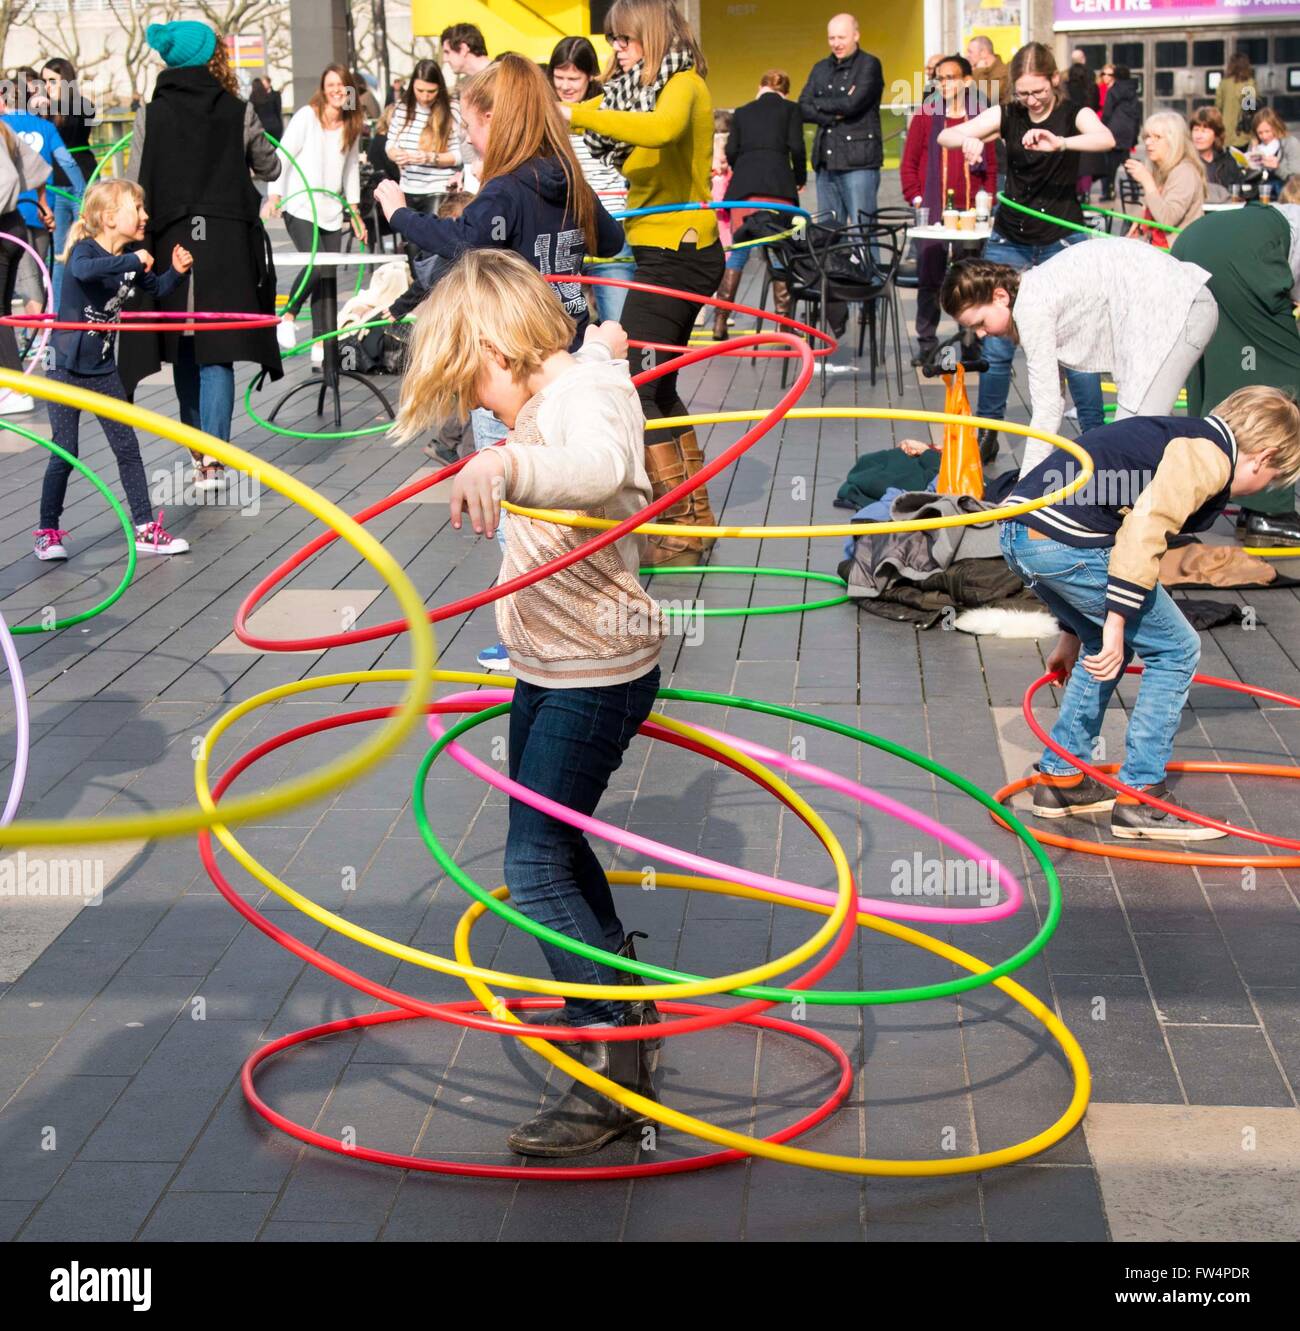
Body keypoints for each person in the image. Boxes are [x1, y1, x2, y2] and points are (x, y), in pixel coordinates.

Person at [394, 248, 660, 1155]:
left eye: (472, 385)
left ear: (499, 351)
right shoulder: (578, 379)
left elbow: (598, 464)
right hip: (551, 664)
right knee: (553, 842)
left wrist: (509, 464)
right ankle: (625, 1006)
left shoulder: (576, 403)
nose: (477, 406)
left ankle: (614, 1059)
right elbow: (599, 379)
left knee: (535, 865)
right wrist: (608, 349)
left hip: (594, 668)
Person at [376, 53, 625, 669]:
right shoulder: (566, 177)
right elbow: (614, 240)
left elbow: (465, 244)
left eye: (470, 124)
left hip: (512, 361)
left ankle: (533, 631)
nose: (467, 137)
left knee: (515, 503)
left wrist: (399, 213)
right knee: (561, 499)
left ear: (496, 119)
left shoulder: (506, 189)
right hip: (565, 351)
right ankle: (567, 619)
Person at [1002, 386, 1300, 839]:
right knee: (1177, 649)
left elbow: (1094, 513)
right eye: (1273, 479)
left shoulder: (1178, 435)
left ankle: (1062, 779)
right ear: (1264, 457)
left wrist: (1074, 633)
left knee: (1107, 646)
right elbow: (1145, 529)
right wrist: (1116, 621)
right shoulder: (1209, 455)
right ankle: (1142, 798)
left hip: (1021, 534)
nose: (1265, 489)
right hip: (1066, 541)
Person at [562, 0, 721, 567]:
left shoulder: (683, 86)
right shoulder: (637, 92)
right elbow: (603, 113)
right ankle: (693, 524)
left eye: (624, 40)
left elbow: (660, 130)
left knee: (635, 381)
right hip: (659, 252)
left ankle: (679, 529)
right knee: (658, 385)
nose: (617, 50)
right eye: (613, 41)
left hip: (681, 253)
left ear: (650, 36)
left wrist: (576, 114)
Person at [121, 20, 282, 492]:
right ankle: (214, 459)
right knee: (219, 349)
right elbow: (270, 166)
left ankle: (199, 454)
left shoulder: (151, 114)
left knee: (184, 349)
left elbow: (135, 180)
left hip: (170, 241)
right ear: (210, 58)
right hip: (226, 242)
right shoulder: (236, 109)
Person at [938, 42, 1114, 459]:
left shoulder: (1072, 114)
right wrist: (968, 141)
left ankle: (1096, 438)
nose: (1031, 100)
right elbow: (947, 132)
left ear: (1054, 80)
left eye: (1038, 91)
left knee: (1076, 346)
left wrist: (1062, 143)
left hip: (1062, 241)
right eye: (1023, 93)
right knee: (997, 344)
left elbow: (1106, 139)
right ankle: (988, 434)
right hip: (1011, 240)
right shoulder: (1009, 114)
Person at [940, 242, 1218, 476]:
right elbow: (1054, 396)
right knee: (1132, 440)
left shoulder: (1032, 307)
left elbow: (1048, 409)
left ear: (1000, 296)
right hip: (1174, 309)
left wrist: (1023, 493)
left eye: (980, 323)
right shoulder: (1034, 289)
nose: (981, 334)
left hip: (1180, 310)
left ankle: (1175, 497)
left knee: (1130, 441)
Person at [35, 179, 193, 562]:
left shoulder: (131, 259)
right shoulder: (85, 251)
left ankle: (145, 528)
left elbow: (157, 288)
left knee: (128, 448)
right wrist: (133, 261)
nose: (145, 216)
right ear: (109, 218)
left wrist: (176, 271)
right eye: (137, 209)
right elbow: (84, 271)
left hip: (103, 368)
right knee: (65, 450)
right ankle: (47, 531)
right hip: (64, 367)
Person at [1172, 203, 1300, 545]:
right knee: (1285, 379)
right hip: (1243, 255)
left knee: (1217, 370)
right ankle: (1268, 512)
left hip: (1194, 241)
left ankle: (1203, 488)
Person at [899, 55, 995, 367]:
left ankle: (971, 343)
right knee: (929, 277)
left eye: (950, 77)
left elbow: (992, 167)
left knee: (970, 279)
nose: (943, 84)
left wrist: (987, 201)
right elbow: (909, 162)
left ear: (967, 81)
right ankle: (927, 344)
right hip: (933, 210)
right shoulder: (926, 116)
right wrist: (916, 198)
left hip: (970, 213)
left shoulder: (981, 117)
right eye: (939, 78)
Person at [266, 65, 367, 355]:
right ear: (323, 89)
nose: (336, 90)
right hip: (300, 205)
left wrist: (354, 211)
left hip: (331, 209)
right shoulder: (306, 117)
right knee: (317, 264)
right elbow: (283, 155)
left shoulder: (352, 123)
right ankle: (288, 315)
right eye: (330, 85)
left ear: (349, 89)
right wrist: (274, 195)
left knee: (328, 278)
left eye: (341, 85)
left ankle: (321, 344)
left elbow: (351, 169)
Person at [548, 34, 636, 323]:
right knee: (560, 327)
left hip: (609, 221)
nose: (565, 86)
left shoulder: (606, 110)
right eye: (559, 77)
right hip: (564, 230)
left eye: (574, 79)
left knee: (617, 321)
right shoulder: (547, 114)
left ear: (590, 76)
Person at [714, 68, 806, 338]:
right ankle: (783, 324)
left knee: (739, 251)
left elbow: (731, 150)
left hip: (744, 192)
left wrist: (743, 168)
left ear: (760, 87)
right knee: (779, 251)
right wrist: (798, 179)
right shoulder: (791, 110)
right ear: (785, 92)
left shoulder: (742, 112)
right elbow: (797, 148)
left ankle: (720, 321)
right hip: (779, 190)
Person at [3, 77, 82, 326]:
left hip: (13, 212)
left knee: (28, 282)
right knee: (40, 273)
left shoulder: (3, 126)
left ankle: (37, 334)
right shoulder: (45, 127)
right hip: (41, 209)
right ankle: (39, 331)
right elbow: (66, 161)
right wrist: (82, 193)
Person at [798, 13, 883, 231]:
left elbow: (853, 104)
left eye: (841, 37)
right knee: (828, 233)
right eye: (831, 38)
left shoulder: (869, 65)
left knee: (862, 231)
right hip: (825, 163)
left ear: (856, 35)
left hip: (859, 162)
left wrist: (820, 104)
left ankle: (865, 258)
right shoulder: (820, 68)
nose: (836, 43)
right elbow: (803, 107)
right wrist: (833, 113)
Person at [0, 115, 53, 415]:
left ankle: (13, 389)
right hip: (14, 226)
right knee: (3, 311)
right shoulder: (3, 128)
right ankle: (12, 386)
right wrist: (43, 205)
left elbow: (6, 179)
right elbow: (36, 168)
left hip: (3, 229)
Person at [39, 57, 97, 313]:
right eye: (44, 81)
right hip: (58, 186)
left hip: (85, 182)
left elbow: (79, 121)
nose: (46, 86)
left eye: (52, 81)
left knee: (91, 247)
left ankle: (93, 307)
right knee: (62, 254)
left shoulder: (82, 106)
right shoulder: (44, 112)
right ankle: (60, 312)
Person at [385, 59, 461, 235]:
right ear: (412, 86)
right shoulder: (402, 108)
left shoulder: (452, 109)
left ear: (440, 88)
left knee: (433, 242)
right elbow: (390, 144)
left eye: (431, 91)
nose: (425, 96)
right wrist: (396, 155)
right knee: (412, 246)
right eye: (420, 90)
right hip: (408, 187)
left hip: (438, 188)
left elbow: (459, 155)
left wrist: (430, 158)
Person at [1124, 111, 1205, 246]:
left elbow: (1167, 220)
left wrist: (1147, 181)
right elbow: (1153, 207)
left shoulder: (1185, 172)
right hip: (1155, 247)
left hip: (1177, 252)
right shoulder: (1160, 168)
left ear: (1174, 141)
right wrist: (1141, 219)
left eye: (1157, 137)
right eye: (1147, 136)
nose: (1148, 142)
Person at [441, 23, 492, 190]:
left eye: (447, 52)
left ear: (463, 49)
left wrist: (488, 165)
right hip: (475, 176)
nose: (445, 59)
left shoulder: (500, 77)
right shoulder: (468, 84)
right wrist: (464, 172)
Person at [1099, 64, 1140, 201]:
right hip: (1128, 130)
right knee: (1126, 161)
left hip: (1114, 129)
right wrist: (1135, 134)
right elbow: (1136, 114)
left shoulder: (1113, 90)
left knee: (1111, 165)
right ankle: (1134, 190)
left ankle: (1109, 191)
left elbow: (1107, 112)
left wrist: (1101, 127)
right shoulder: (1133, 92)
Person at [1190, 107, 1244, 197]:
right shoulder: (1186, 161)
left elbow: (1239, 190)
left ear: (1216, 134)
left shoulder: (1227, 161)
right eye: (1196, 130)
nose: (1198, 136)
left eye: (1204, 131)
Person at [1246, 108, 1300, 185]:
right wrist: (1248, 166)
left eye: (1267, 131)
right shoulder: (1255, 144)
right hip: (1258, 187)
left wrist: (1278, 168)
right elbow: (1248, 177)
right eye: (1260, 133)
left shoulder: (1290, 143)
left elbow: (1296, 179)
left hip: (1283, 188)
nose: (1264, 136)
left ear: (1276, 127)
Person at [1215, 52, 1255, 152]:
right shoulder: (1249, 83)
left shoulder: (1224, 83)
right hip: (1242, 131)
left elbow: (1218, 105)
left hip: (1225, 130)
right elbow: (1250, 108)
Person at [966, 34, 1008, 106]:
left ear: (984, 53)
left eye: (970, 52)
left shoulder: (1002, 72)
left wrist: (979, 71)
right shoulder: (975, 70)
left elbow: (988, 99)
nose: (967, 55)